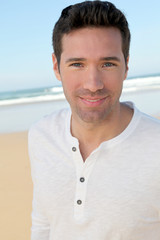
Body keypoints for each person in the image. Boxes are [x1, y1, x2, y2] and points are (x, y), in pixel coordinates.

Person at [28, 1, 160, 239]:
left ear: (126, 66)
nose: (93, 84)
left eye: (107, 64)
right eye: (77, 64)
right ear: (57, 67)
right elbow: (43, 223)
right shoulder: (41, 135)